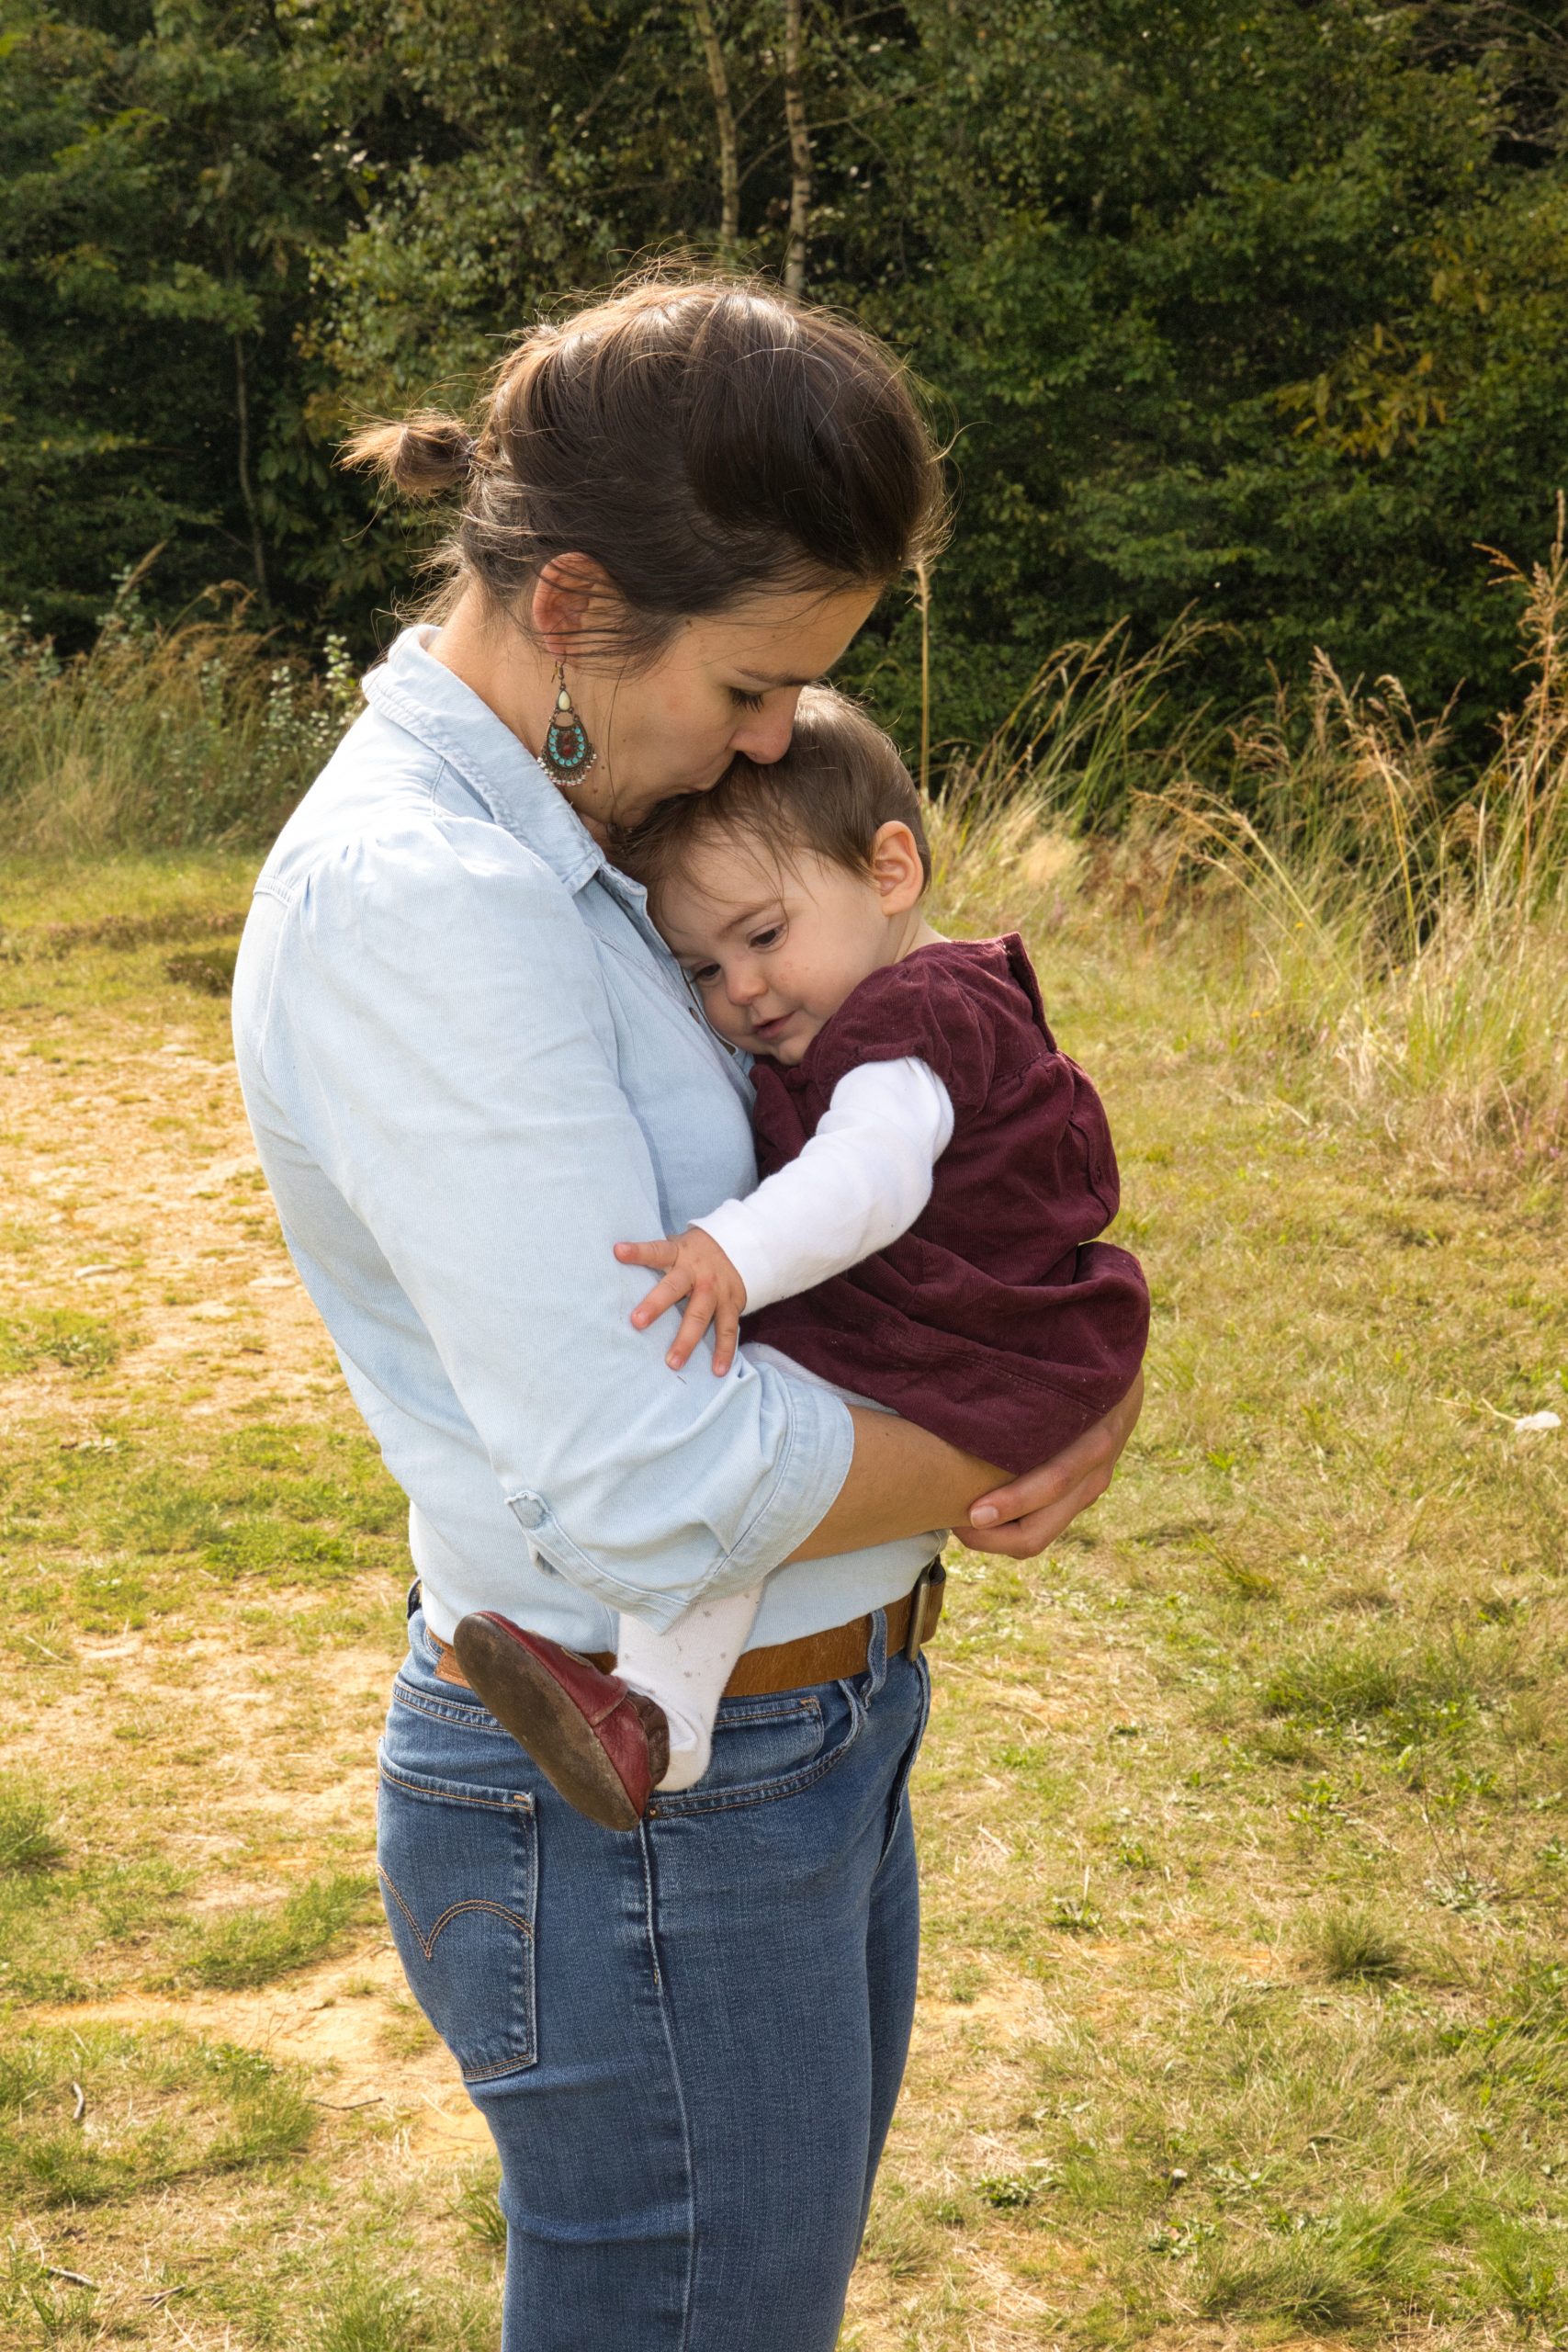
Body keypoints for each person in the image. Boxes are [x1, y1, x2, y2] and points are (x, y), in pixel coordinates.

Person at [231, 271, 1143, 2352]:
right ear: (572, 608)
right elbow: (645, 1480)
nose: (770, 741)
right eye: (751, 682)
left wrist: (1083, 1336)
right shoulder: (427, 906)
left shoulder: (588, 843)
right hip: (641, 1806)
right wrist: (1018, 1413)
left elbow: (891, 1174)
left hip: (805, 1735)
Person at [454, 687, 1148, 1829]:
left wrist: (732, 1249)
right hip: (967, 1324)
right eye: (702, 969)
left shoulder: (910, 1022)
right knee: (744, 1431)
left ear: (891, 871)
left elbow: (870, 1177)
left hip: (947, 1330)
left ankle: (657, 1716)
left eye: (765, 936)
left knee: (734, 1432)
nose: (742, 988)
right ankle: (660, 1720)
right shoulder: (927, 995)